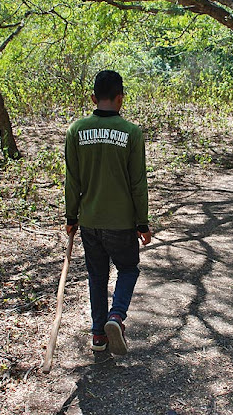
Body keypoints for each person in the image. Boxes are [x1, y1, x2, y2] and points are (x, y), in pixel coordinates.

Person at [65, 70, 152, 356]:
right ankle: (116, 316)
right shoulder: (131, 133)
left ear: (93, 98)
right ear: (120, 99)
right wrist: (142, 222)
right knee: (127, 268)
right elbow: (137, 182)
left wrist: (71, 216)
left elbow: (72, 179)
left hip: (90, 221)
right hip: (121, 222)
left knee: (97, 276)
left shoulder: (76, 130)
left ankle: (98, 334)